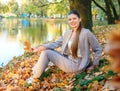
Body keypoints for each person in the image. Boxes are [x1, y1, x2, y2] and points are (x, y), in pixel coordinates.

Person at [26, 10, 102, 84]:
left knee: (47, 53)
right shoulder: (67, 33)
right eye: (70, 19)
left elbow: (98, 49)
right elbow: (56, 43)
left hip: (77, 65)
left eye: (74, 18)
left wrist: (94, 64)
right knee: (46, 50)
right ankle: (36, 72)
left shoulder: (86, 33)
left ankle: (34, 77)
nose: (72, 21)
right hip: (67, 59)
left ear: (80, 19)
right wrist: (38, 47)